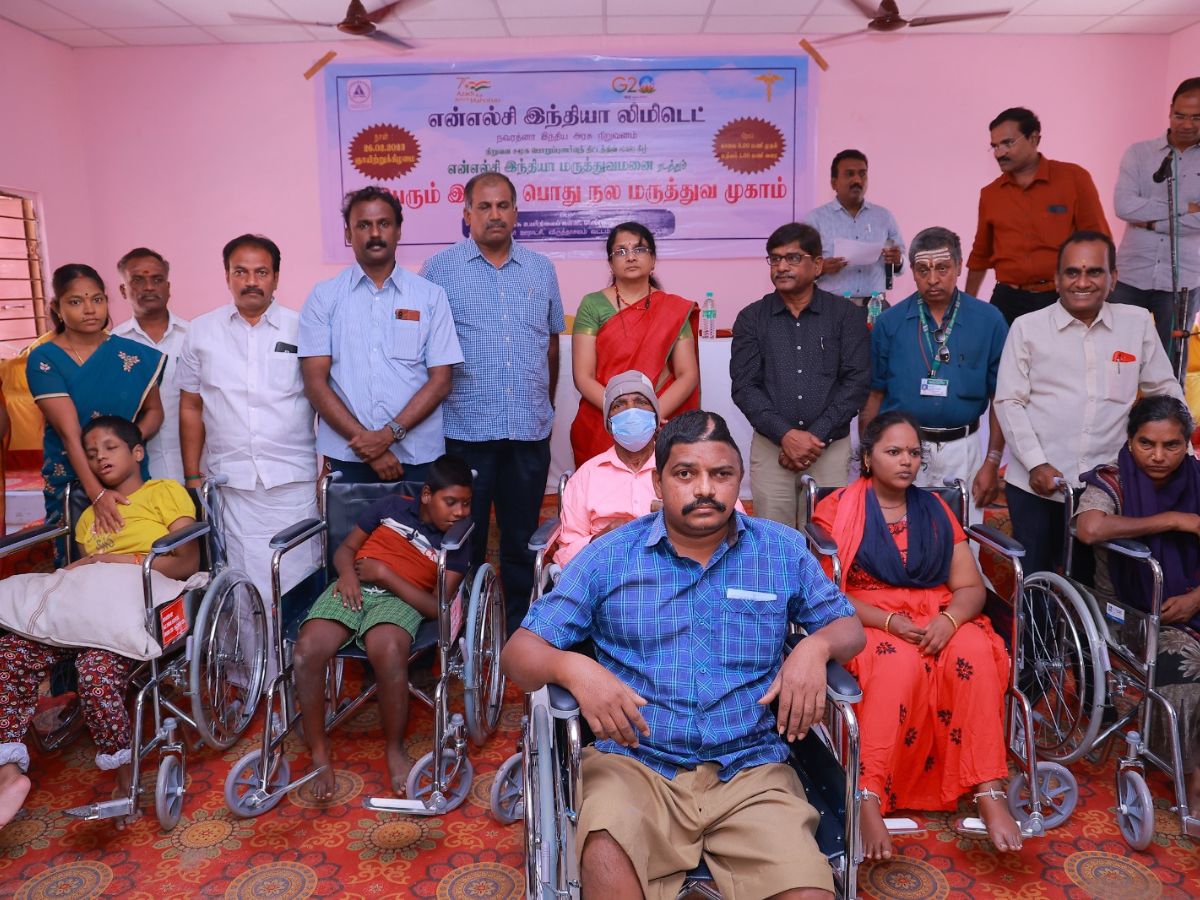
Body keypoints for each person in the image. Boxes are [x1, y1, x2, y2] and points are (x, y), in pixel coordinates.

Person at [502, 410, 865, 899]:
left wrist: (815, 647)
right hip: (634, 764)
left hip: (752, 769)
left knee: (810, 892)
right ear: (658, 480)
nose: (704, 489)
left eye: (721, 474)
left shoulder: (781, 551)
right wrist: (573, 666)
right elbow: (520, 652)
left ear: (740, 479)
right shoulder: (611, 555)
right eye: (685, 473)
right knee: (605, 856)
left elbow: (848, 627)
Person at [813, 411, 1022, 859]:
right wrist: (888, 622)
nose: (906, 461)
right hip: (867, 616)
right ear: (868, 458)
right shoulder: (837, 509)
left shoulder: (936, 510)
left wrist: (948, 623)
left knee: (975, 653)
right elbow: (827, 595)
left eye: (913, 453)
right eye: (893, 452)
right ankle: (867, 795)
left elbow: (969, 587)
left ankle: (989, 787)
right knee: (894, 662)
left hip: (938, 612)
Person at [0, 416, 199, 830]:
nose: (100, 458)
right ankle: (8, 772)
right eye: (91, 454)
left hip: (143, 596)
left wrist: (118, 559)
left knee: (95, 670)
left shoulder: (164, 492)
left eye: (110, 447)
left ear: (137, 452)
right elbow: (84, 582)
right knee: (12, 654)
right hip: (90, 609)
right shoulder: (90, 518)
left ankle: (124, 776)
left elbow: (188, 561)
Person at [419, 173, 565, 632]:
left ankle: (523, 629)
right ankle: (467, 630)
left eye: (503, 205)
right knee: (465, 539)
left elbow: (552, 345)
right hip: (465, 433)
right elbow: (425, 350)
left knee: (524, 539)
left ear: (516, 212)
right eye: (484, 207)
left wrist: (542, 402)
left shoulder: (542, 269)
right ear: (467, 215)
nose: (495, 214)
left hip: (528, 430)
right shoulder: (440, 270)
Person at [995, 230, 1182, 578]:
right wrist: (1036, 463)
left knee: (1091, 586)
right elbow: (1008, 402)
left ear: (1113, 278)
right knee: (1036, 583)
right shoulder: (1027, 328)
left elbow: (1163, 388)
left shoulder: (1137, 322)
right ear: (1056, 279)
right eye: (1072, 272)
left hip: (1104, 488)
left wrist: (1179, 444)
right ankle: (1034, 635)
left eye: (1094, 272)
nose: (1082, 282)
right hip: (1036, 484)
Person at [292, 453, 472, 800]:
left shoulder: (458, 541)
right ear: (426, 495)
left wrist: (385, 575)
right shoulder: (390, 507)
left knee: (386, 651)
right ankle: (318, 754)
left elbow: (437, 607)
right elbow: (346, 550)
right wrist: (346, 576)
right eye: (450, 502)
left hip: (402, 598)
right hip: (354, 585)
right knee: (306, 652)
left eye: (466, 503)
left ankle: (394, 748)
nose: (459, 512)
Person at [177, 235, 319, 622]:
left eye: (261, 272)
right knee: (243, 583)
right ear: (227, 276)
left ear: (276, 278)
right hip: (232, 485)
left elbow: (324, 399)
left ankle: (298, 673)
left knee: (297, 579)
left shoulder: (303, 328)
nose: (251, 281)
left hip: (293, 483)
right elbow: (190, 404)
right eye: (241, 271)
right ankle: (256, 675)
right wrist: (192, 473)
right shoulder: (202, 331)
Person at [1075, 395, 1200, 816]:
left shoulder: (1199, 479)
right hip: (1133, 615)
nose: (1159, 456)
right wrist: (1171, 519)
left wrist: (1196, 599)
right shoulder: (1111, 483)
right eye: (1147, 443)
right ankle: (1194, 783)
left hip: (1192, 604)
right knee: (1187, 670)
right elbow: (1089, 529)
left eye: (1172, 445)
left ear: (1188, 443)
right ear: (1130, 442)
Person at [300, 187, 463, 485]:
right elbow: (314, 383)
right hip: (347, 457)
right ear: (348, 234)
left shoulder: (430, 296)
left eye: (384, 224)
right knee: (348, 534)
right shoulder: (323, 297)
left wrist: (388, 435)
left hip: (416, 457)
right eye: (363, 225)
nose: (374, 233)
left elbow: (441, 381)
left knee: (414, 534)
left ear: (399, 231)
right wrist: (369, 446)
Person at [859, 227, 1008, 524]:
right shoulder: (889, 322)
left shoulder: (989, 320)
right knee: (903, 540)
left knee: (965, 541)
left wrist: (992, 462)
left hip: (963, 449)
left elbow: (1000, 399)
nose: (933, 279)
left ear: (958, 266)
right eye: (923, 269)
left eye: (942, 268)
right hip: (902, 451)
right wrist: (869, 460)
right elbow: (873, 396)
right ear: (912, 271)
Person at [731, 222, 870, 529]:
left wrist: (814, 436)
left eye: (792, 258)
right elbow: (744, 386)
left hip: (829, 448)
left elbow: (856, 383)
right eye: (775, 259)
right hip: (772, 448)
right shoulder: (752, 318)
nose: (781, 266)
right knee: (774, 542)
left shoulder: (845, 315)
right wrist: (786, 435)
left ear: (817, 264)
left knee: (827, 539)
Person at [27, 264, 165, 565]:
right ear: (57, 308)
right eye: (76, 301)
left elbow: (155, 411)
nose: (89, 309)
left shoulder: (133, 355)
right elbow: (69, 433)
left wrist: (125, 447)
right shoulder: (45, 359)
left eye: (97, 299)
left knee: (140, 555)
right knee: (83, 563)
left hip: (130, 477)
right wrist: (97, 493)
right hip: (75, 480)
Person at [569, 221, 699, 467]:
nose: (630, 257)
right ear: (610, 263)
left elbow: (687, 374)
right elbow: (583, 376)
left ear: (653, 260)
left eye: (639, 249)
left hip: (658, 422)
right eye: (621, 251)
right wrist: (620, 412)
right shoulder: (593, 304)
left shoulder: (672, 308)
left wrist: (649, 414)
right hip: (603, 420)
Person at [965, 107, 1111, 326]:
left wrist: (1095, 295)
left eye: (1007, 143)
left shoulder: (1073, 179)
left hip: (1061, 297)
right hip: (1008, 299)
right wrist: (968, 305)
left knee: (1064, 360)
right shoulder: (990, 194)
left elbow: (1098, 241)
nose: (999, 153)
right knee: (1003, 360)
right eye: (994, 146)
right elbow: (981, 254)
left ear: (1034, 139)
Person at [1111, 78, 1200, 357]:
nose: (1186, 124)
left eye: (1197, 117)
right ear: (1170, 110)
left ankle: (1169, 404)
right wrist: (1186, 208)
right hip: (1130, 274)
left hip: (1183, 280)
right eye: (1180, 115)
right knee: (1117, 355)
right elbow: (1124, 206)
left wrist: (1149, 220)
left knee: (1171, 359)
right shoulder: (1139, 154)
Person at [556, 370, 662, 567]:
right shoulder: (586, 476)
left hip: (669, 575)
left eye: (641, 402)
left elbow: (726, 526)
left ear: (655, 417)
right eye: (619, 405)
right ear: (609, 423)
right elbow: (566, 552)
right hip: (606, 575)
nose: (631, 412)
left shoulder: (681, 468)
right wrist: (601, 540)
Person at [112, 247, 189, 484]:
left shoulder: (194, 337)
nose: (148, 287)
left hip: (195, 465)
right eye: (138, 280)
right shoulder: (113, 345)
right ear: (123, 290)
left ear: (168, 287)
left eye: (157, 279)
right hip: (138, 472)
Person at [805, 149, 905, 307]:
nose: (857, 179)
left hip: (875, 307)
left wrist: (897, 260)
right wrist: (821, 268)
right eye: (849, 174)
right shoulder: (815, 219)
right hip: (832, 307)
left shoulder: (884, 217)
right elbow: (801, 267)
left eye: (862, 174)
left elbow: (903, 263)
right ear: (833, 182)